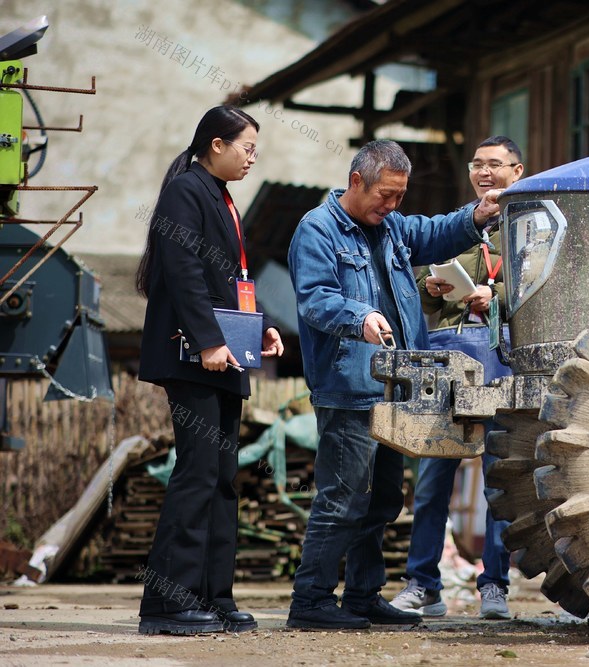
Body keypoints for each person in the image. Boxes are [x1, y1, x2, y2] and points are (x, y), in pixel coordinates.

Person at [286, 139, 501, 630]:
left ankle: (362, 596)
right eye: (385, 194)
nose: (392, 205)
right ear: (356, 181)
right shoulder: (317, 230)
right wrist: (359, 316)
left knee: (382, 500)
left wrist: (478, 215)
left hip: (397, 390)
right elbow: (315, 298)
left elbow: (436, 231)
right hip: (350, 386)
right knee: (342, 496)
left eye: (400, 196)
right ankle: (311, 600)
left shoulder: (394, 228)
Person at [134, 105, 284, 635]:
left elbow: (230, 280)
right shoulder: (187, 190)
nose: (251, 159)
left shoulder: (220, 198)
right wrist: (208, 341)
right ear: (215, 145)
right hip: (192, 355)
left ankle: (213, 597)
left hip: (224, 356)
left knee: (223, 479)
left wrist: (257, 325)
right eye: (246, 148)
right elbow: (183, 273)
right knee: (196, 474)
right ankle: (167, 605)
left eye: (255, 150)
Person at [390, 136, 523, 620]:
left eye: (494, 165)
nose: (484, 173)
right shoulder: (457, 226)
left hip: (501, 361)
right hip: (446, 360)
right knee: (432, 477)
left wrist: (499, 297)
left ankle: (494, 585)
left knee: (498, 481)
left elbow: (547, 288)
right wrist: (430, 287)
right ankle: (423, 584)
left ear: (517, 170)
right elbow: (426, 298)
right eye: (477, 165)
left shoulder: (532, 228)